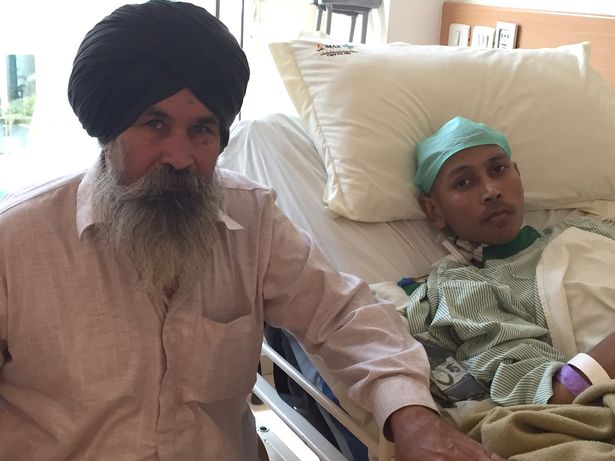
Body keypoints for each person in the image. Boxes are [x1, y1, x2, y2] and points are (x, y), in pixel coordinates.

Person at [0, 2, 502, 460]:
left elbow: (344, 316)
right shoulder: (16, 243)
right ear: (108, 129)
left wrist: (413, 418)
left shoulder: (252, 219)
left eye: (201, 130)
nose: (180, 157)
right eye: (155, 124)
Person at [404, 115, 615, 408]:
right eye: (464, 182)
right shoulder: (465, 286)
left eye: (498, 169)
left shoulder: (587, 229)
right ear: (434, 210)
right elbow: (557, 394)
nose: (492, 191)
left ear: (518, 175)